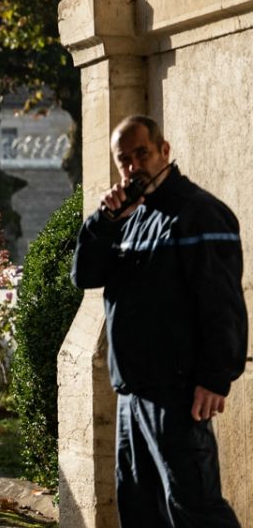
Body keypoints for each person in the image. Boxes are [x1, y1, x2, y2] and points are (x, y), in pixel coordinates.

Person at [72, 115, 246, 527]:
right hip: (133, 391)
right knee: (140, 508)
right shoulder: (131, 218)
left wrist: (216, 376)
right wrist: (102, 221)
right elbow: (85, 275)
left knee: (194, 508)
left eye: (142, 154)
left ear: (164, 151)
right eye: (124, 160)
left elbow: (223, 304)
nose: (134, 166)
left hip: (179, 392)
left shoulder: (200, 213)